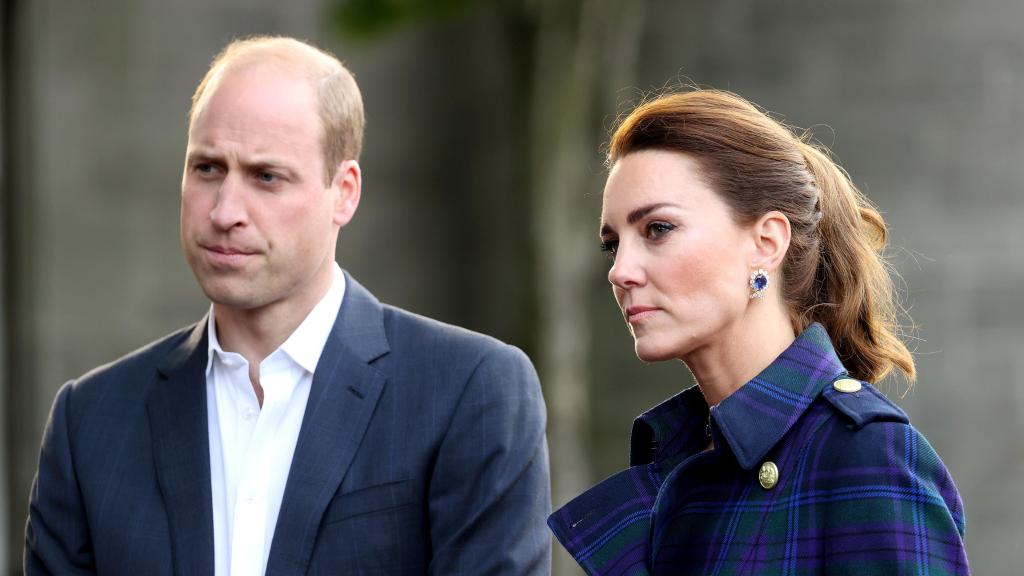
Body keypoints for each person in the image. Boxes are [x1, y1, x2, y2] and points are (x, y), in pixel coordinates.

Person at [25, 36, 551, 575]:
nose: (225, 210)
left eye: (265, 177)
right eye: (207, 168)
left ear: (344, 192)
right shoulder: (90, 422)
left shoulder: (468, 390)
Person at [548, 90, 968, 575]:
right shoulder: (683, 457)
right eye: (612, 245)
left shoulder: (866, 456)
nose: (621, 271)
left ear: (766, 242)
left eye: (658, 229)